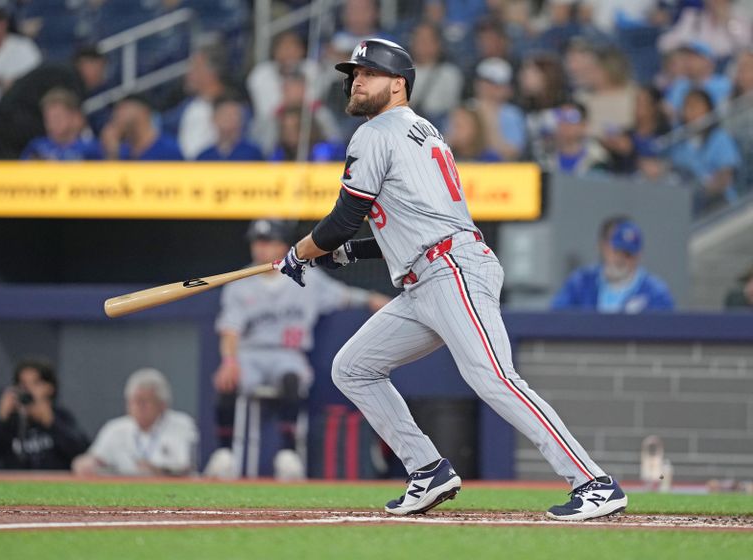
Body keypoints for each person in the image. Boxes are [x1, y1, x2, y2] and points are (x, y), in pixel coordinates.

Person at [276, 38, 627, 520]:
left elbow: (343, 218)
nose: (357, 80)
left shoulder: (376, 132)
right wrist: (344, 252)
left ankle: (593, 482)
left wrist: (299, 252)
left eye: (369, 73)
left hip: (449, 269)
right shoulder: (421, 131)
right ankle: (427, 469)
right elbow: (400, 227)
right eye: (354, 73)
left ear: (398, 84)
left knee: (495, 378)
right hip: (427, 274)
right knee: (352, 368)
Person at [207, 219, 389, 480]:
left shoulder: (308, 278)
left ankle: (288, 454)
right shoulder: (240, 282)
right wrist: (229, 360)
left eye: (268, 242)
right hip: (251, 354)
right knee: (227, 378)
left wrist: (372, 299)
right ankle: (224, 455)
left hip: (287, 354)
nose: (261, 248)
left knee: (292, 376)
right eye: (257, 242)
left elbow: (344, 295)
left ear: (282, 246)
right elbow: (229, 330)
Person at [72, 368, 198, 476]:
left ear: (162, 405)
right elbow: (94, 458)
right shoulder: (115, 429)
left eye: (145, 401)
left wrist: (156, 470)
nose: (138, 407)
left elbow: (185, 468)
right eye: (134, 401)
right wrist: (86, 463)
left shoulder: (182, 425)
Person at [0, 45, 106, 159]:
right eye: (99, 69)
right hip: (15, 123)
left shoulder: (59, 70)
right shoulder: (70, 77)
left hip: (2, 119)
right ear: (85, 63)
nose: (101, 77)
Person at [0, 357, 90, 470]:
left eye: (35, 383)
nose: (28, 389)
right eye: (23, 384)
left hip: (55, 483)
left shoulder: (61, 416)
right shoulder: (11, 421)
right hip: (16, 484)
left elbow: (81, 452)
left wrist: (51, 423)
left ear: (50, 388)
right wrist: (2, 419)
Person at [551, 218, 675, 312]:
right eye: (616, 251)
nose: (620, 259)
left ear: (638, 256)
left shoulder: (655, 293)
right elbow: (555, 321)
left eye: (628, 253)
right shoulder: (580, 283)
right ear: (603, 247)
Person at [669, 89, 741, 213]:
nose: (692, 112)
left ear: (708, 109)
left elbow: (725, 177)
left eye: (697, 106)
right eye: (688, 107)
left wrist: (702, 191)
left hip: (720, 204)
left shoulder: (720, 138)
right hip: (690, 208)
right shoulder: (680, 146)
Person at [469, 57, 526, 161]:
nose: (487, 88)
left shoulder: (512, 114)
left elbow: (512, 153)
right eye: (484, 82)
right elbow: (448, 145)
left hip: (502, 171)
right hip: (468, 168)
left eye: (493, 84)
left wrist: (490, 120)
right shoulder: (467, 109)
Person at [19, 88, 101, 160]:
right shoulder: (37, 147)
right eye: (48, 119)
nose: (53, 123)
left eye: (57, 117)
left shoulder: (90, 148)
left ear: (74, 117)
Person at [407, 21, 463, 124]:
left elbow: (451, 110)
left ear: (438, 44)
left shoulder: (450, 74)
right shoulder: (400, 72)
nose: (422, 43)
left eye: (427, 39)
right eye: (418, 38)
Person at [99, 94, 184, 161]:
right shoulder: (122, 151)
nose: (116, 114)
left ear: (143, 112)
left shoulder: (168, 150)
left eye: (123, 108)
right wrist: (112, 152)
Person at [540, 101, 608, 175]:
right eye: (559, 117)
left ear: (583, 125)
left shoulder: (598, 160)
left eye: (571, 118)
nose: (564, 124)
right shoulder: (541, 156)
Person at [196, 96, 264, 162]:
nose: (229, 119)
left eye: (234, 115)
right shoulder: (204, 157)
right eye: (225, 114)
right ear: (214, 118)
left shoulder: (253, 154)